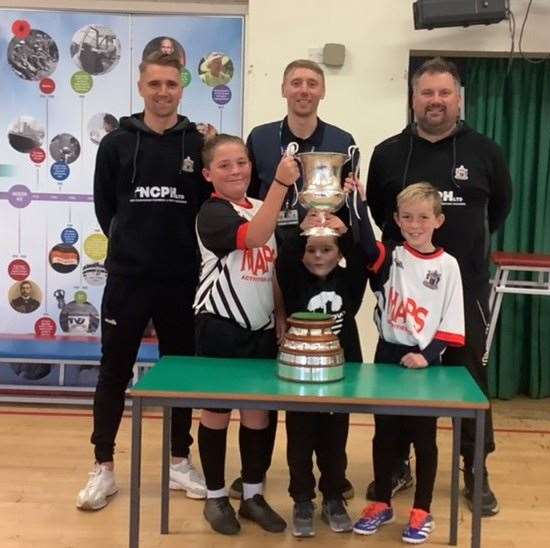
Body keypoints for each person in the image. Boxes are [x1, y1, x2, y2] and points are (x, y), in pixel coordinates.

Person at [366, 56, 512, 516]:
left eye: (444, 92)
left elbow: (499, 210)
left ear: (458, 97)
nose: (435, 101)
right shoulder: (389, 152)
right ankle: (395, 464)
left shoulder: (485, 151)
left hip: (465, 291)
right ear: (413, 98)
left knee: (471, 383)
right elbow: (377, 210)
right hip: (406, 299)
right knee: (398, 380)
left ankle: (475, 470)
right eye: (426, 93)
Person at [76, 51, 209, 511]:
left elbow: (206, 208)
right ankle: (103, 468)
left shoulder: (197, 144)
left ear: (181, 87)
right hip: (128, 279)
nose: (163, 92)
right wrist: (133, 244)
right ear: (141, 88)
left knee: (182, 376)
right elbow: (105, 209)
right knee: (113, 372)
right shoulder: (116, 143)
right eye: (155, 84)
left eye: (171, 84)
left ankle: (178, 461)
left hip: (180, 280)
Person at [233, 58, 357, 501]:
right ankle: (255, 475)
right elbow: (249, 200)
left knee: (326, 375)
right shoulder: (262, 139)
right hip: (270, 265)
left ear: (322, 91)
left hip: (323, 265)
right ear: (284, 88)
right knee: (267, 383)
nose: (304, 90)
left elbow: (351, 206)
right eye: (296, 83)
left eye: (312, 83)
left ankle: (332, 477)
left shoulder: (342, 142)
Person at [193, 133, 299, 535]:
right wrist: (282, 183)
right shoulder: (212, 213)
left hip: (261, 326)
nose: (235, 170)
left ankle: (253, 494)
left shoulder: (259, 206)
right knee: (217, 413)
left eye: (241, 161)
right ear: (208, 174)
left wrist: (281, 315)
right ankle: (216, 496)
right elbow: (253, 238)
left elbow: (269, 265)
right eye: (224, 165)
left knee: (259, 414)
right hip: (219, 324)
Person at [353, 182, 465, 544]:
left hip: (424, 362)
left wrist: (426, 356)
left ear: (439, 220)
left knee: (423, 439)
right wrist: (358, 201)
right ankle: (382, 502)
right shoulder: (392, 256)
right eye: (406, 217)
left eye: (422, 217)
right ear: (397, 221)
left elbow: (451, 324)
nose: (414, 225)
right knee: (385, 435)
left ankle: (421, 510)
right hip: (387, 355)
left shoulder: (448, 266)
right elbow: (366, 246)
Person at [275, 178, 373, 537]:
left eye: (327, 250)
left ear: (338, 253)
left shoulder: (349, 283)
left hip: (339, 375)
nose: (318, 256)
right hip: (302, 374)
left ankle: (333, 495)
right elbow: (284, 259)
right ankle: (302, 499)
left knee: (335, 441)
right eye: (312, 250)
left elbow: (362, 259)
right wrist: (302, 230)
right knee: (300, 440)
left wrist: (343, 229)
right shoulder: (295, 279)